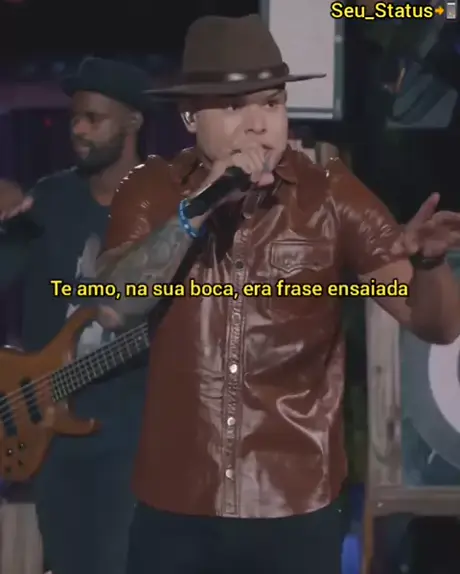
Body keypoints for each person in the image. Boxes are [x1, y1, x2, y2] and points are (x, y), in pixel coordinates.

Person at [96, 15, 460, 574]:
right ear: (191, 115)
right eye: (234, 106)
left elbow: (435, 323)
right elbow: (112, 307)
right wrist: (198, 209)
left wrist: (431, 265)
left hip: (294, 506)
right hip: (177, 504)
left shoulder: (331, 195)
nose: (258, 125)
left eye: (271, 103)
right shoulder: (151, 189)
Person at [0, 57, 153, 574]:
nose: (79, 131)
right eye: (75, 119)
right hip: (46, 431)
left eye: (94, 119)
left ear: (133, 121)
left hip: (130, 439)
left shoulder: (163, 210)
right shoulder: (51, 199)